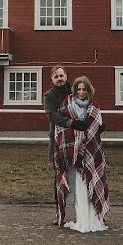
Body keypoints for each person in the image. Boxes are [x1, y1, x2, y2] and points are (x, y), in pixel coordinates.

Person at [52, 76, 108, 232]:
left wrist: (97, 130)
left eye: (84, 89)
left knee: (92, 186)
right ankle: (82, 220)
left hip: (91, 155)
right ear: (75, 90)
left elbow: (95, 125)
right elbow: (61, 128)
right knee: (80, 189)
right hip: (73, 155)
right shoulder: (66, 106)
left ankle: (92, 221)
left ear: (88, 90)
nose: (81, 92)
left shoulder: (94, 107)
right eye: (79, 89)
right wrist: (75, 135)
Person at [44, 66, 86, 224]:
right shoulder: (49, 96)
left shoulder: (75, 91)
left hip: (78, 141)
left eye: (61, 75)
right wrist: (71, 123)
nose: (59, 78)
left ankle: (83, 211)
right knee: (60, 177)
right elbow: (51, 114)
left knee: (81, 176)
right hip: (59, 142)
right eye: (56, 77)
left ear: (66, 76)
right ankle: (59, 212)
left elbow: (86, 107)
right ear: (52, 80)